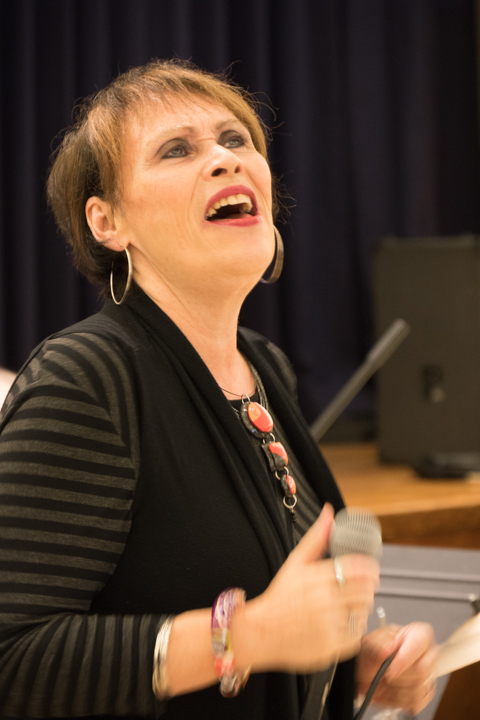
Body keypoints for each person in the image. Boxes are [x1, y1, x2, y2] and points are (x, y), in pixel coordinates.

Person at [0, 59, 437, 720]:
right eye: (176, 150)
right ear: (107, 222)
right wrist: (246, 636)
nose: (225, 159)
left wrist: (344, 666)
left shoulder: (265, 366)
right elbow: (11, 658)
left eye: (236, 140)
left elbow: (261, 624)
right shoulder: (86, 380)